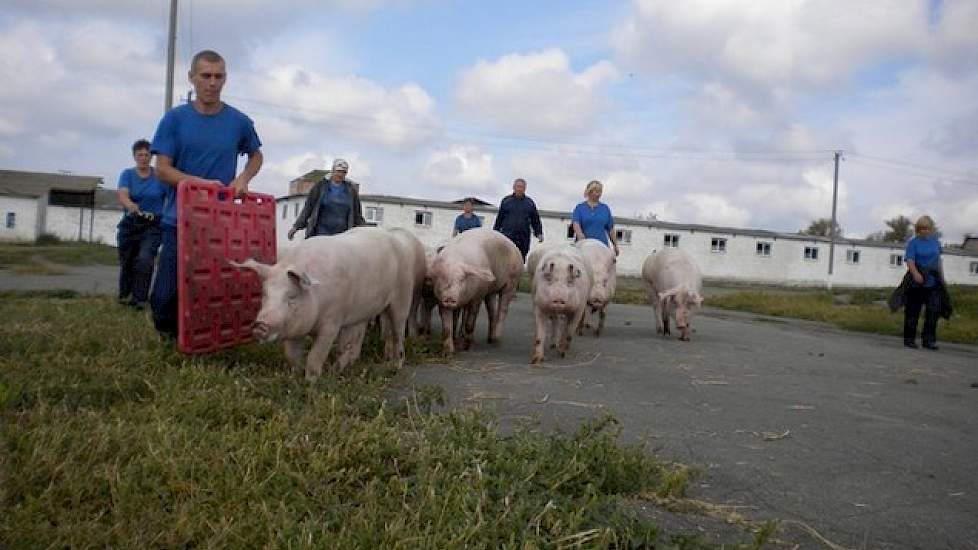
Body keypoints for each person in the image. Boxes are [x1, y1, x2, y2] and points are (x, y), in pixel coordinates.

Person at [149, 49, 263, 339]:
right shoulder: (174, 120)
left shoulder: (238, 121)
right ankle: (170, 335)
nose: (212, 82)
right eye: (206, 76)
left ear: (225, 79)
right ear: (192, 78)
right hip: (178, 219)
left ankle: (205, 339)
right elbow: (162, 169)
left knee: (211, 288)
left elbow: (256, 156)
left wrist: (243, 178)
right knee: (164, 296)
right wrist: (198, 183)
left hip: (218, 222)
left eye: (218, 76)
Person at [116, 139, 167, 310]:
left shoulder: (159, 176)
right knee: (128, 260)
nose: (144, 158)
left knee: (144, 259)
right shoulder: (127, 175)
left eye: (147, 155)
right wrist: (131, 205)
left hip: (153, 225)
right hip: (132, 223)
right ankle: (125, 295)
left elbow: (168, 198)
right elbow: (123, 194)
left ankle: (140, 299)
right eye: (140, 155)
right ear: (134, 156)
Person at [288, 158, 365, 240]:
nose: (340, 174)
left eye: (344, 172)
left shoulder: (351, 190)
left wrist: (364, 230)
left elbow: (357, 214)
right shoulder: (320, 186)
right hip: (321, 232)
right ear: (332, 171)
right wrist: (296, 227)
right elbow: (308, 208)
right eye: (338, 171)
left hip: (343, 234)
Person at [903, 215, 944, 350]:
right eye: (921, 228)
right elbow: (910, 260)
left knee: (933, 311)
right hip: (917, 280)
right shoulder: (913, 243)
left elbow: (938, 261)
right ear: (917, 229)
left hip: (933, 281)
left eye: (926, 228)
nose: (924, 231)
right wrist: (915, 274)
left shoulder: (936, 242)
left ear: (931, 228)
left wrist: (942, 278)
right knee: (913, 311)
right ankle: (909, 339)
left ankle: (929, 341)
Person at [492, 178, 543, 260]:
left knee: (520, 259)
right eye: (518, 186)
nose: (520, 189)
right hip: (508, 236)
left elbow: (535, 220)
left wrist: (539, 233)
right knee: (505, 259)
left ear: (525, 188)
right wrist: (495, 233)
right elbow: (499, 219)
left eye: (522, 187)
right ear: (514, 187)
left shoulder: (530, 203)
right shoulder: (506, 201)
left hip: (523, 238)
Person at [571, 180, 619, 256]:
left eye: (600, 191)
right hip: (583, 246)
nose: (599, 194)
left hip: (602, 247)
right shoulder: (579, 208)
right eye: (596, 191)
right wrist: (581, 237)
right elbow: (576, 224)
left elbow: (611, 229)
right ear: (589, 192)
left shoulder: (605, 209)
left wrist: (615, 245)